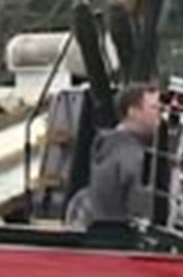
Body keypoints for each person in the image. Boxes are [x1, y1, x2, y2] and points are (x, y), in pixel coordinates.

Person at [67, 83, 161, 228]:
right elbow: (143, 210)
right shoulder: (133, 157)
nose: (160, 116)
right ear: (133, 111)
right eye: (155, 108)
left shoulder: (106, 147)